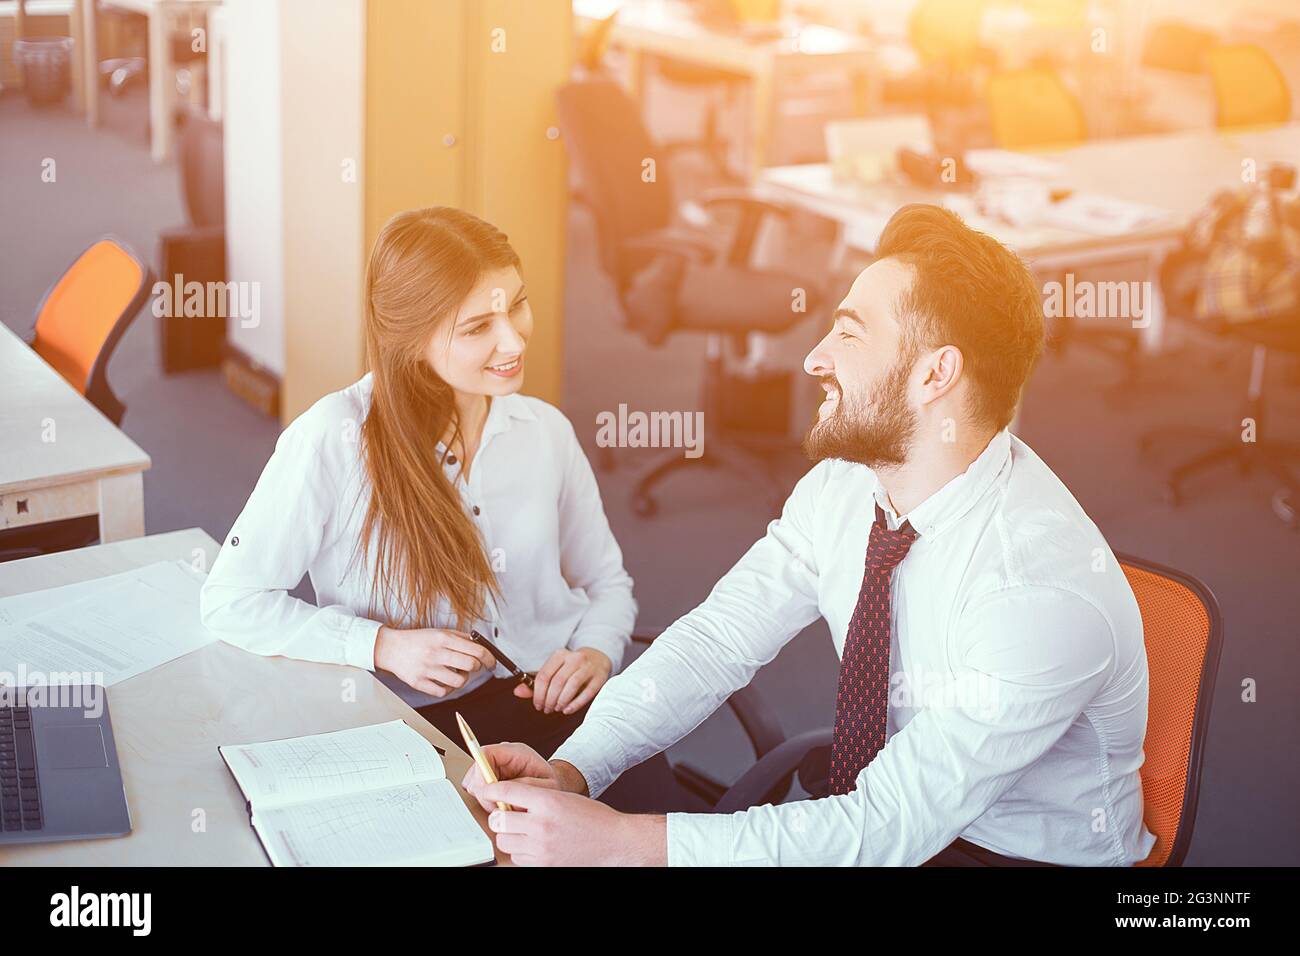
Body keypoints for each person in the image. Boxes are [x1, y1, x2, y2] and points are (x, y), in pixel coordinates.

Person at [464, 203, 1157, 866]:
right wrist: (577, 767)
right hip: (891, 811)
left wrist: (626, 845)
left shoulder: (1034, 593)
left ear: (935, 374)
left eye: (850, 334)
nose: (813, 358)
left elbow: (884, 828)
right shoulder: (848, 487)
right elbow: (717, 641)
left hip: (1005, 853)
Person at [200, 206, 635, 763]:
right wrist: (381, 645)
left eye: (517, 305)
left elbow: (605, 581)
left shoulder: (544, 431)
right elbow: (232, 601)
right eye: (478, 327)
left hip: (562, 708)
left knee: (644, 840)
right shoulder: (334, 439)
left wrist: (596, 651)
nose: (514, 341)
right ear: (412, 339)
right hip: (415, 726)